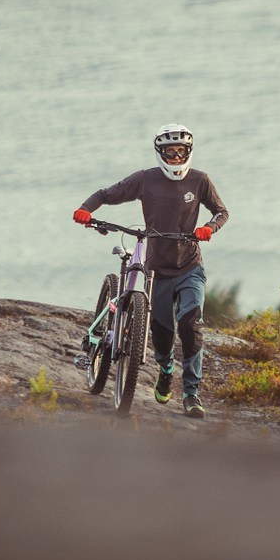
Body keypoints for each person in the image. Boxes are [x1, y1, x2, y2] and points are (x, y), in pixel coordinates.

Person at [73, 122, 228, 417]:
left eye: (181, 151)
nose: (176, 157)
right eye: (170, 151)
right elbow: (107, 194)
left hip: (189, 266)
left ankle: (192, 394)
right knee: (162, 332)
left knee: (190, 326)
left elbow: (222, 212)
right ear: (160, 152)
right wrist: (86, 209)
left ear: (188, 152)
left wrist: (209, 228)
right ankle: (166, 369)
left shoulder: (200, 180)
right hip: (157, 269)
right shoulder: (145, 180)